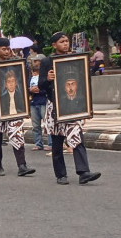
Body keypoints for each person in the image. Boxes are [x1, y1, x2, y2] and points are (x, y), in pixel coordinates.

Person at [39, 32, 101, 185]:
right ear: (54, 45)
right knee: (57, 141)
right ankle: (61, 174)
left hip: (72, 106)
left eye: (67, 41)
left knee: (77, 137)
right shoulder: (47, 62)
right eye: (62, 41)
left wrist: (84, 108)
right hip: (55, 106)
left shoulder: (74, 59)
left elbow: (82, 81)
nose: (65, 44)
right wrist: (47, 79)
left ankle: (83, 172)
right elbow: (41, 86)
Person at [0, 37, 35, 177]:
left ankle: (22, 165)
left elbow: (23, 83)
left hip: (14, 107)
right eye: (3, 49)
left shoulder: (17, 64)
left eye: (8, 49)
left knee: (17, 134)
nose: (6, 51)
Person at [28, 57, 52, 150]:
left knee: (47, 124)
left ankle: (51, 143)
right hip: (34, 102)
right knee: (35, 125)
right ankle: (38, 143)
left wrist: (39, 89)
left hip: (43, 101)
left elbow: (46, 87)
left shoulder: (44, 77)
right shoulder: (30, 78)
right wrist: (30, 90)